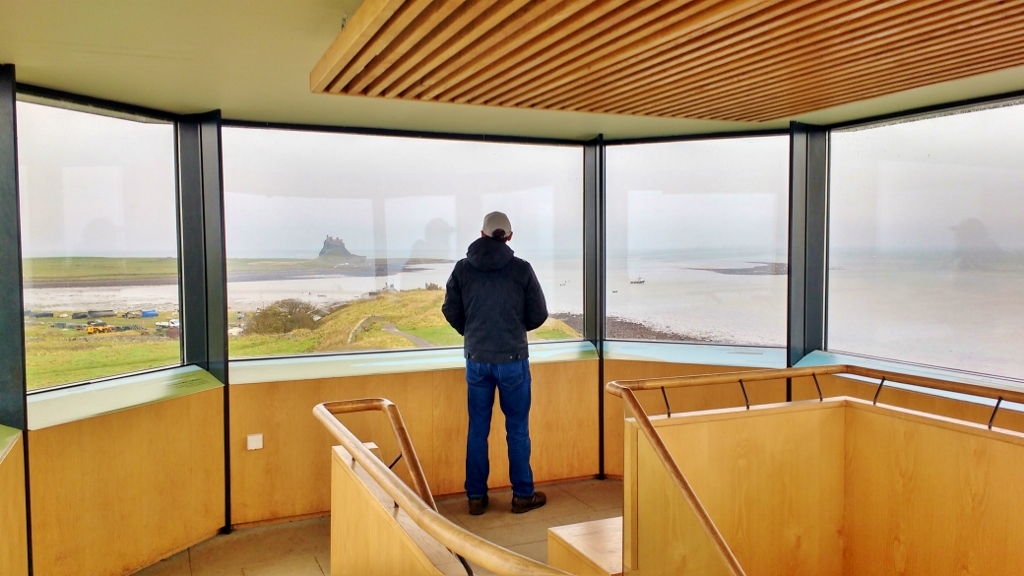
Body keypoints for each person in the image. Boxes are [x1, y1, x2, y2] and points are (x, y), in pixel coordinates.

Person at [442, 211, 549, 515]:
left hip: (477, 360)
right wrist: (514, 328)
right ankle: (522, 495)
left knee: (478, 429)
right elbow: (539, 314)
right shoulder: (521, 269)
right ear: (510, 237)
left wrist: (471, 333)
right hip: (513, 359)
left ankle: (476, 498)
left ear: (482, 234)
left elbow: (450, 309)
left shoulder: (463, 269)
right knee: (517, 430)